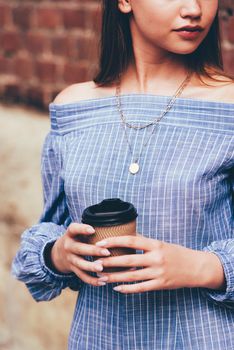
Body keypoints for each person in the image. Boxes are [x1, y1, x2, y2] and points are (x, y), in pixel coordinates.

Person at [12, 1, 234, 349]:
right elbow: (47, 234)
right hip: (98, 337)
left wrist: (199, 267)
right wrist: (61, 254)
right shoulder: (74, 109)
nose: (194, 8)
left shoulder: (227, 108)